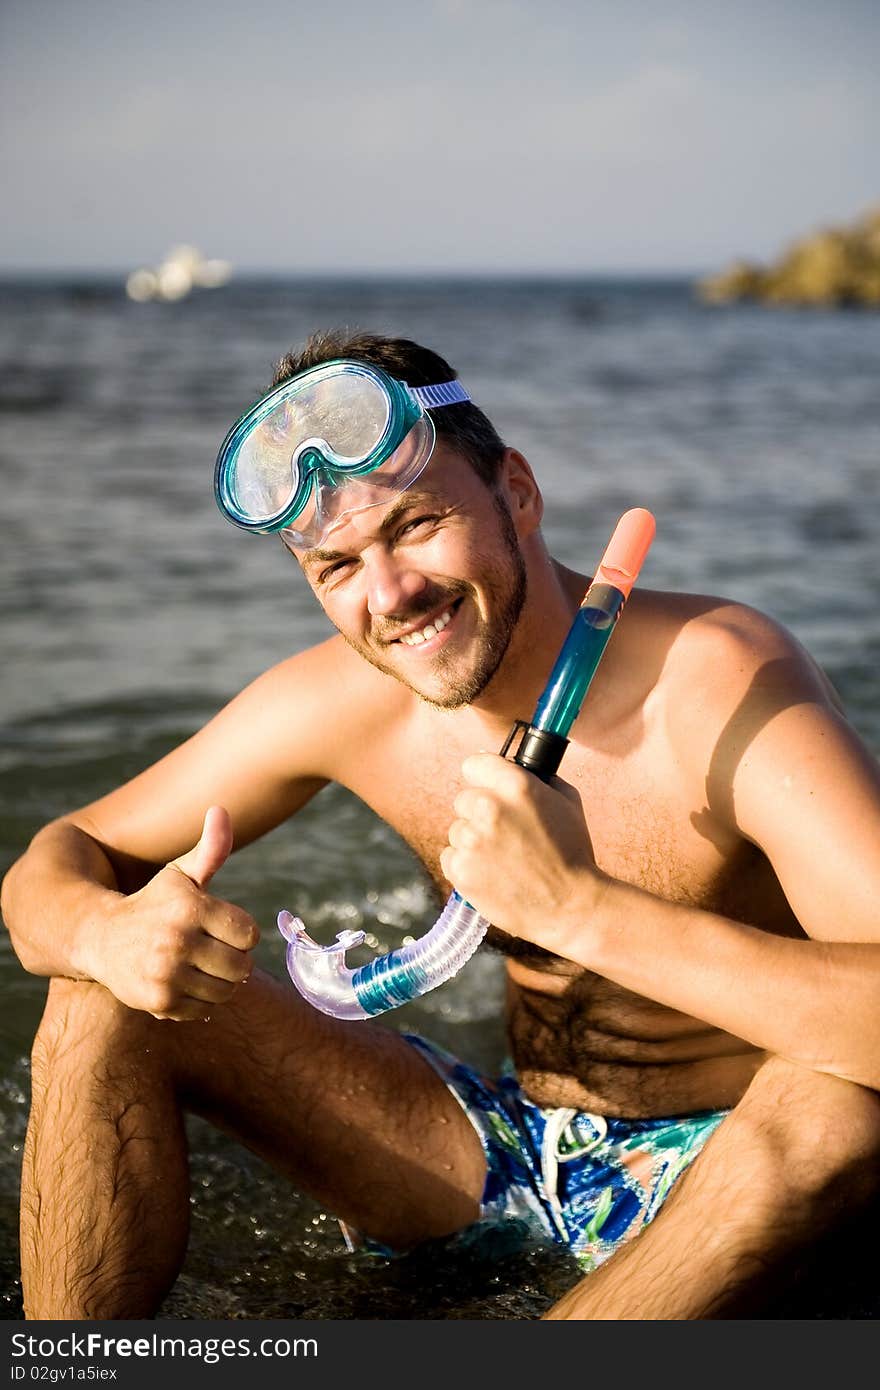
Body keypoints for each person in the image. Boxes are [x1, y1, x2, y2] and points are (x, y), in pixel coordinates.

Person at [3, 330, 880, 1322]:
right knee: (95, 995)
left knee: (837, 1112)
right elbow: (50, 865)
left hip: (736, 1174)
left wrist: (584, 911)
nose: (390, 594)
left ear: (518, 492)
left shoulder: (720, 684)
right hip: (505, 1144)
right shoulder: (344, 700)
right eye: (337, 566)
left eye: (417, 524)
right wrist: (105, 933)